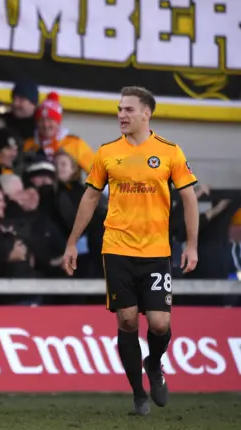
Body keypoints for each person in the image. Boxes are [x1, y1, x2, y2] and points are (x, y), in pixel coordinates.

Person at [62, 86, 199, 416]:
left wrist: (192, 244)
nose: (121, 115)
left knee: (160, 324)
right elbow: (91, 197)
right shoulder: (107, 152)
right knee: (126, 320)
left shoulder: (169, 152)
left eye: (128, 109)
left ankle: (154, 364)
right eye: (119, 109)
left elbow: (189, 198)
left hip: (156, 251)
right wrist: (71, 242)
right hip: (117, 248)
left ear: (146, 114)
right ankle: (138, 393)